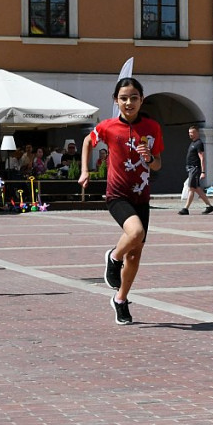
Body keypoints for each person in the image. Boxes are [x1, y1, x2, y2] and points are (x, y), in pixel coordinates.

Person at [79, 77, 163, 326]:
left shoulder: (151, 127)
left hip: (142, 195)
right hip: (117, 194)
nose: (129, 102)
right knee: (135, 232)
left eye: (134, 97)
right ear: (116, 101)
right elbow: (87, 141)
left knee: (135, 256)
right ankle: (114, 258)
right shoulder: (108, 127)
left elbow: (158, 164)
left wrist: (149, 159)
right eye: (124, 98)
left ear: (141, 100)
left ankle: (121, 299)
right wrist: (85, 170)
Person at [179, 125, 213, 215]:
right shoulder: (193, 143)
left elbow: (202, 158)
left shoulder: (199, 143)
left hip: (194, 168)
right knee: (196, 188)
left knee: (192, 188)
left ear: (197, 133)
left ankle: (185, 208)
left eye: (192, 133)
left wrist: (203, 171)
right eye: (189, 133)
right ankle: (209, 206)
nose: (190, 134)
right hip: (191, 169)